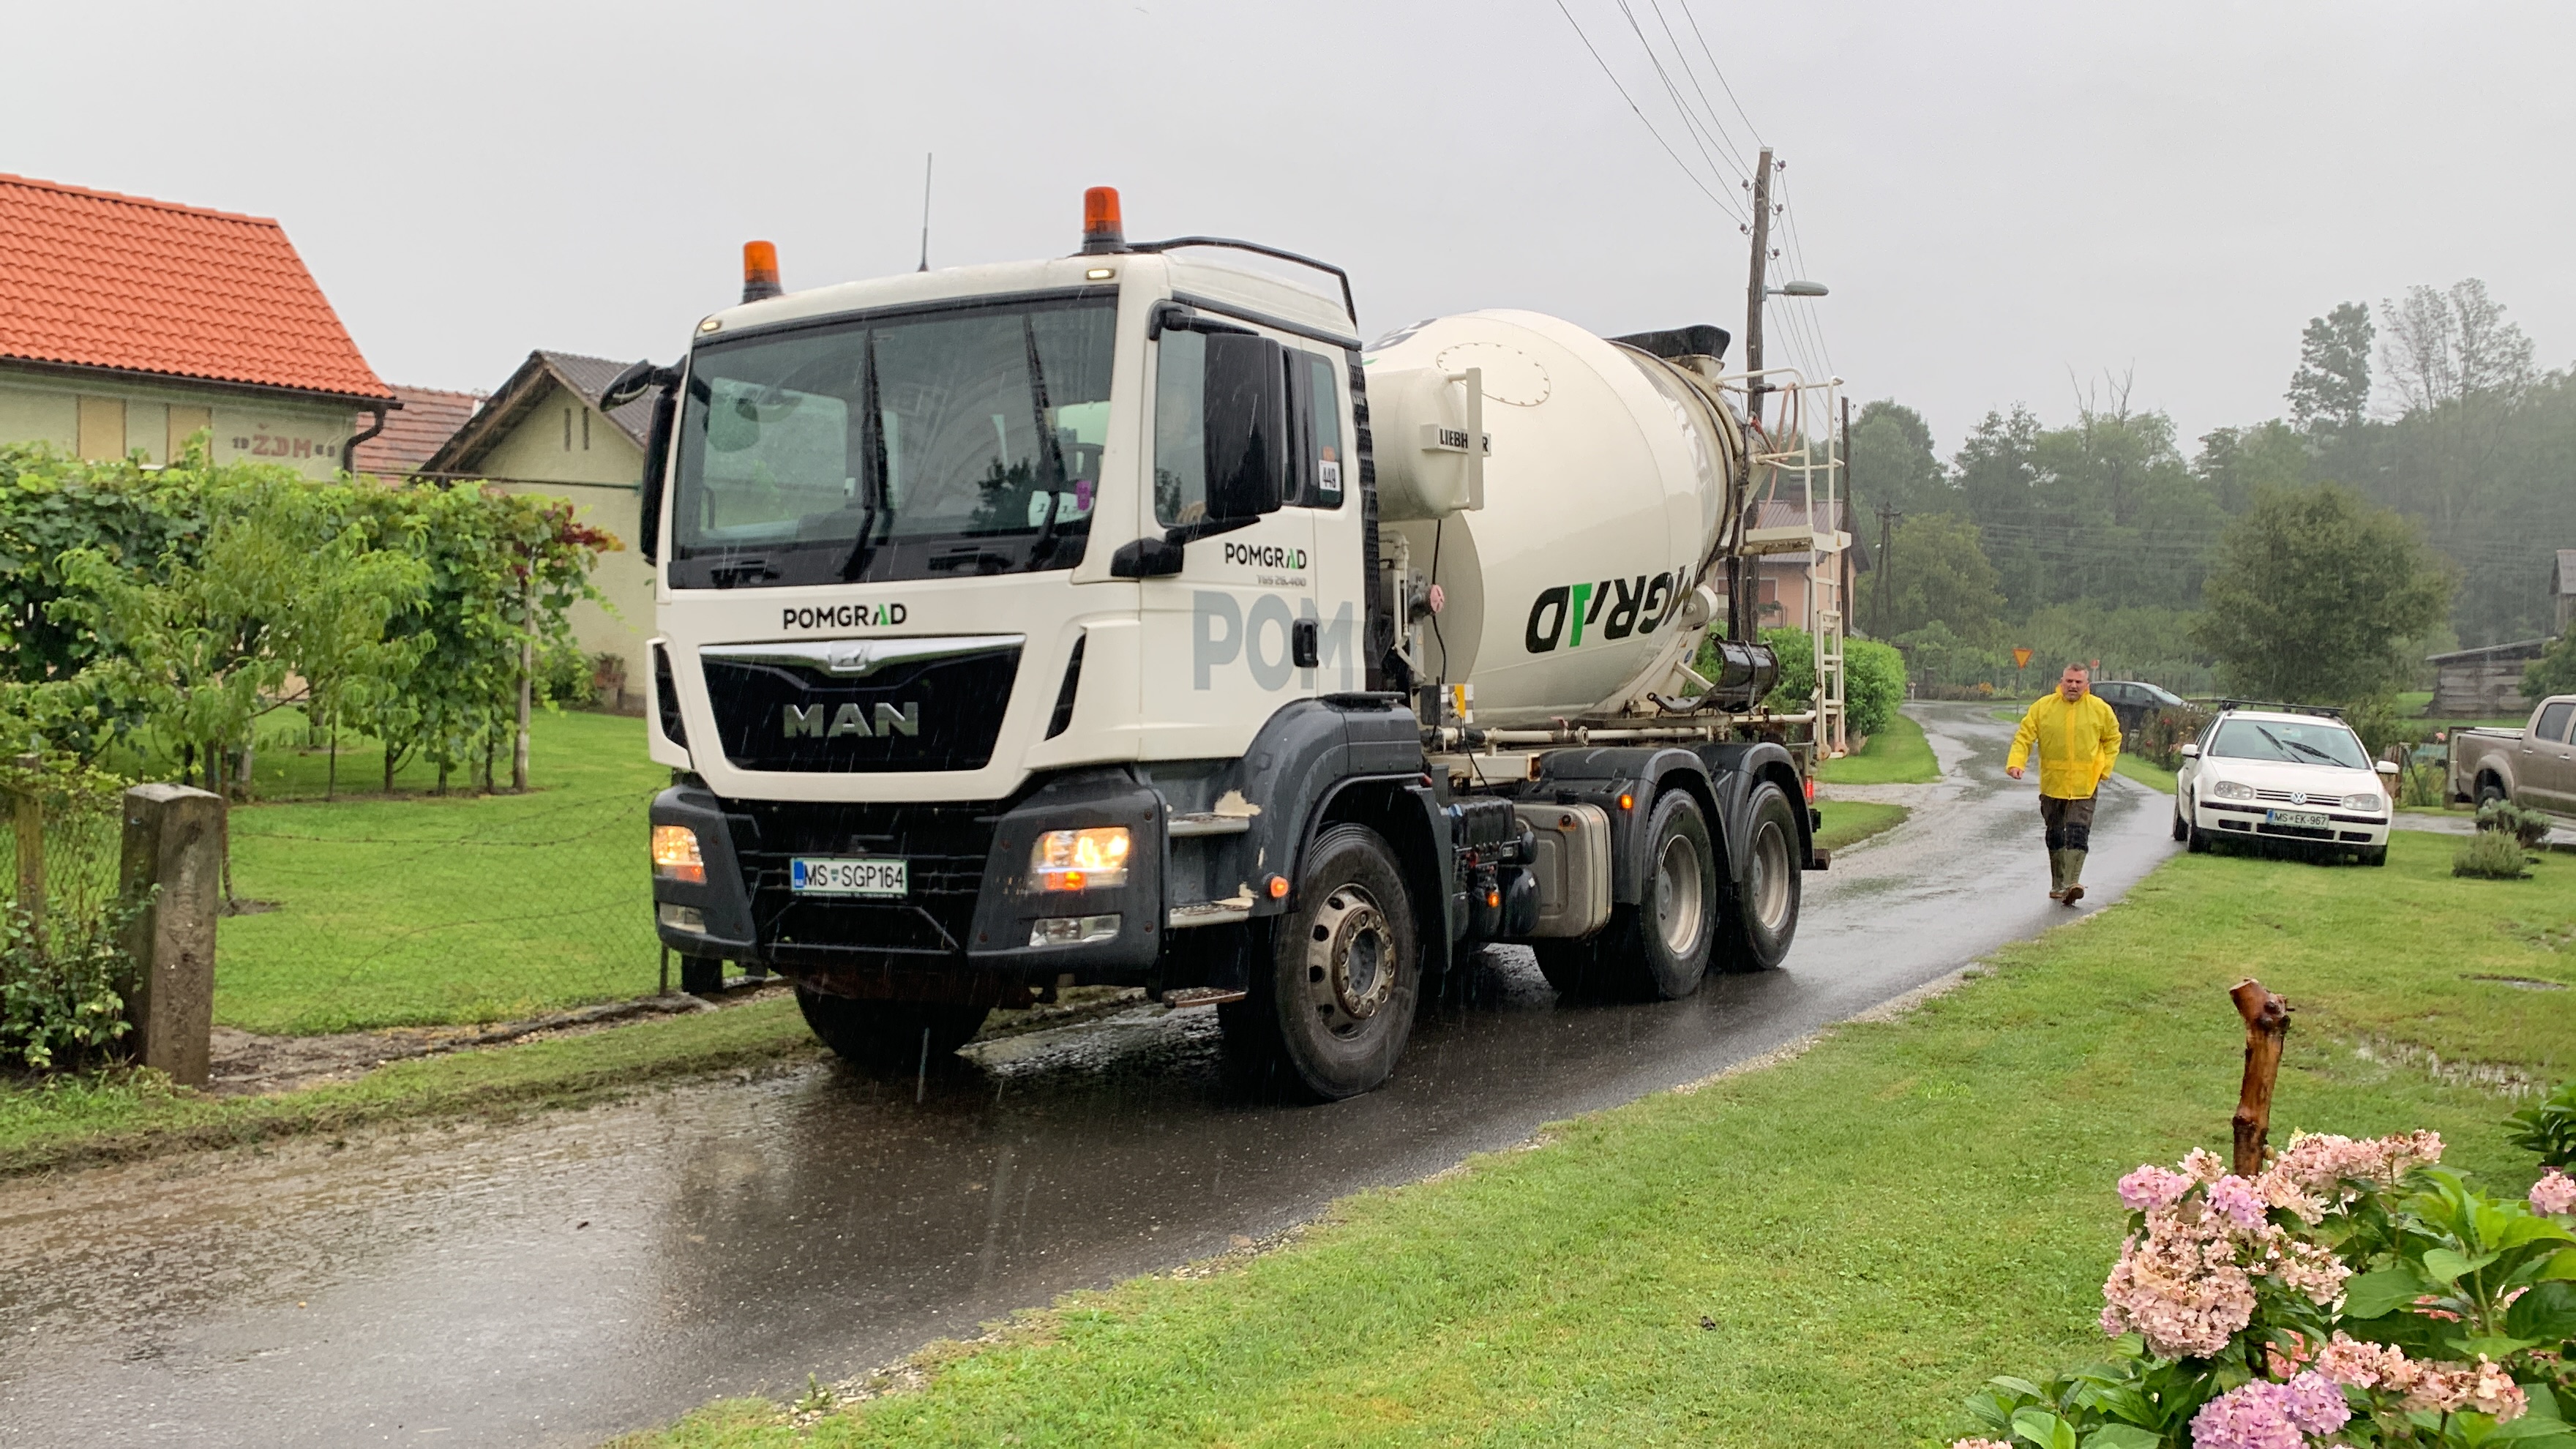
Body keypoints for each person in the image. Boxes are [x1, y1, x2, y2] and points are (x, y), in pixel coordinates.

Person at [2005, 662, 2123, 905]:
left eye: (2078, 682)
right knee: (2056, 833)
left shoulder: (2100, 710)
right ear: (2061, 682)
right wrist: (2017, 762)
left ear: (2087, 685)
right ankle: (2058, 884)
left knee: (2079, 832)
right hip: (2053, 785)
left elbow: (2113, 738)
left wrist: (2105, 768)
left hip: (2085, 785)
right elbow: (2024, 736)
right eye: (2069, 681)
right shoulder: (2043, 708)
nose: (2073, 686)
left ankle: (2072, 884)